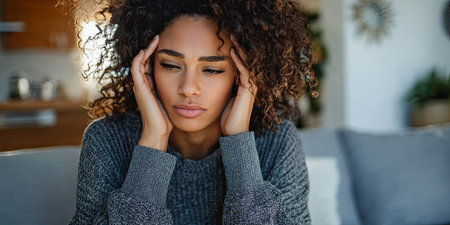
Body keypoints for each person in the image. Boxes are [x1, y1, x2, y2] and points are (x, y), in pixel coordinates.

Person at [66, 0, 319, 224]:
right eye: (171, 65)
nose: (188, 88)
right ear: (146, 67)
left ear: (243, 75)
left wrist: (239, 145)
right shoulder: (107, 140)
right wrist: (153, 143)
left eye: (212, 70)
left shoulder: (277, 143)